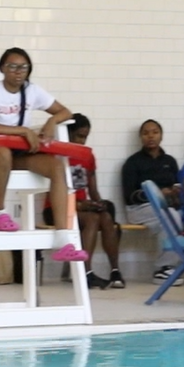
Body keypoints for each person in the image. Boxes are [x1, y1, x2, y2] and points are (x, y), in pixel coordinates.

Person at [0, 47, 87, 264]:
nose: (18, 72)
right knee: (2, 152)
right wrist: (23, 131)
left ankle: (63, 239)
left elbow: (65, 112)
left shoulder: (32, 91)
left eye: (23, 67)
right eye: (12, 67)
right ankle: (0, 214)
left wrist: (51, 121)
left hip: (19, 153)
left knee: (56, 167)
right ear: (2, 69)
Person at [50, 114, 121, 289]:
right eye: (79, 136)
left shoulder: (87, 156)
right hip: (57, 210)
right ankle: (85, 272)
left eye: (85, 137)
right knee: (92, 219)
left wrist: (99, 204)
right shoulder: (56, 155)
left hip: (81, 208)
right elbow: (51, 193)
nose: (82, 141)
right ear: (69, 134)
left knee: (104, 217)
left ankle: (115, 271)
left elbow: (93, 190)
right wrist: (79, 205)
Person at [121, 119, 181, 281]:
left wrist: (175, 193)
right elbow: (129, 196)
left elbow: (178, 185)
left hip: (166, 207)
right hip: (139, 210)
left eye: (155, 132)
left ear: (161, 136)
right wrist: (156, 194)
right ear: (140, 137)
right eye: (146, 133)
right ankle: (163, 268)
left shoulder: (170, 161)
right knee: (171, 217)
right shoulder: (133, 163)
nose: (150, 136)